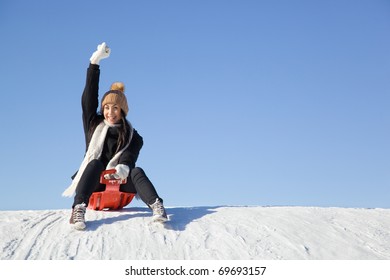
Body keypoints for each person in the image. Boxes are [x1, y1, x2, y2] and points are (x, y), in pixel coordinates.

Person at [62, 42, 167, 230]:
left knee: (137, 171)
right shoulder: (93, 125)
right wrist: (94, 63)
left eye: (115, 108)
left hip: (121, 190)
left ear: (122, 111)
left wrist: (124, 167)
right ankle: (78, 208)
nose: (111, 112)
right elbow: (89, 99)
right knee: (94, 164)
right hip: (95, 188)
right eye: (107, 107)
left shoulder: (133, 136)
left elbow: (131, 155)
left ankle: (157, 206)